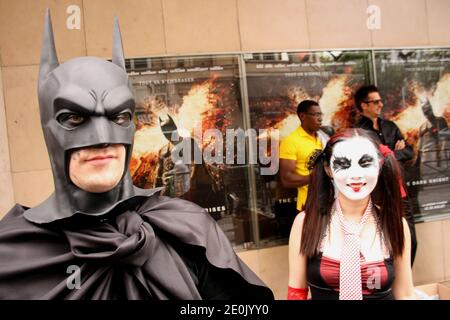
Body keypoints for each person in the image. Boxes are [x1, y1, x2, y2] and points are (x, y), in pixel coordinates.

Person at [0, 11, 274, 300]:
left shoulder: (186, 230)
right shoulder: (13, 252)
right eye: (74, 118)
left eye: (118, 116)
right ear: (49, 127)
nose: (103, 139)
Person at [287, 128, 416, 300]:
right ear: (328, 169)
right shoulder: (305, 223)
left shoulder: (396, 225)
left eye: (365, 163)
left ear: (379, 166)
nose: (356, 175)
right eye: (343, 164)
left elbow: (405, 294)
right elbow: (296, 293)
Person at [354, 85, 417, 266]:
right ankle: (391, 284)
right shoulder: (358, 131)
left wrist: (387, 155)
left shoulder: (390, 126)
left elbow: (409, 152)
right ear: (364, 105)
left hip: (400, 192)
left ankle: (405, 281)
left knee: (411, 240)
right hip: (378, 195)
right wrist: (391, 154)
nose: (380, 104)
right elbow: (370, 161)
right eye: (375, 101)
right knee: (385, 243)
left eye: (380, 101)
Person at [279, 100, 332, 212]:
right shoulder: (291, 141)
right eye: (315, 114)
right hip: (309, 205)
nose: (320, 118)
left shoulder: (324, 137)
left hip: (331, 200)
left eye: (320, 114)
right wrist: (318, 177)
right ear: (302, 116)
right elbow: (286, 179)